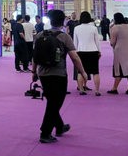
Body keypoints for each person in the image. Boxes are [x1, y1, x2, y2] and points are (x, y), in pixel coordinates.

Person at [32, 9, 87, 144]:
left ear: (50, 21)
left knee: (52, 101)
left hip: (43, 74)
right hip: (59, 74)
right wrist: (83, 72)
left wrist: (33, 72)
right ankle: (45, 133)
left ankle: (60, 126)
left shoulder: (39, 35)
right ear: (63, 22)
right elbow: (74, 57)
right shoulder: (64, 37)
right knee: (55, 103)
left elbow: (35, 56)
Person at [73, 11, 102, 96]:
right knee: (95, 72)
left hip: (81, 51)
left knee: (80, 72)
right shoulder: (94, 28)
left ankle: (81, 89)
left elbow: (75, 42)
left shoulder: (76, 28)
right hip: (93, 51)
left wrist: (75, 52)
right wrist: (99, 51)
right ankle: (97, 91)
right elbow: (97, 41)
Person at [108, 12, 128, 95]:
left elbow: (112, 41)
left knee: (118, 69)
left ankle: (114, 88)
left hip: (119, 50)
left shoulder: (115, 27)